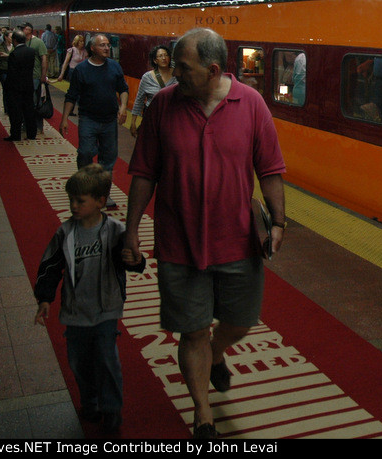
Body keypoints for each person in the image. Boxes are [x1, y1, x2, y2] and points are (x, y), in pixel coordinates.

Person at [123, 27, 287, 439]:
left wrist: (279, 222)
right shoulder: (163, 105)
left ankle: (216, 352)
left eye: (183, 67)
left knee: (241, 320)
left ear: (213, 70)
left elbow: (269, 169)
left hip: (238, 241)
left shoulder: (251, 105)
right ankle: (203, 414)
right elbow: (144, 172)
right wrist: (131, 232)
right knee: (192, 329)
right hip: (178, 241)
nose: (174, 74)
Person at [34, 164, 145, 434]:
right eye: (71, 199)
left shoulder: (116, 231)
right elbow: (50, 265)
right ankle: (90, 402)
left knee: (107, 361)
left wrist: (136, 259)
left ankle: (111, 411)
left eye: (80, 201)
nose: (73, 205)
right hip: (75, 313)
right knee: (79, 362)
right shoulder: (66, 233)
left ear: (100, 202)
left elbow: (132, 261)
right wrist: (45, 298)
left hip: (106, 310)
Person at [58, 34, 129, 209]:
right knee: (85, 153)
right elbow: (71, 95)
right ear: (92, 48)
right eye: (102, 45)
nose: (107, 48)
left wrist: (123, 106)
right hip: (88, 119)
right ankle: (84, 189)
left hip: (109, 121)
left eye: (108, 45)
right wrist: (65, 118)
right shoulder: (81, 70)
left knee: (108, 160)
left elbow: (123, 89)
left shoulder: (114, 66)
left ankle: (103, 195)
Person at [128, 44, 175, 137]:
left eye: (166, 55)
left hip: (172, 119)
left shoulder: (178, 75)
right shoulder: (147, 77)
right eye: (160, 56)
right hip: (152, 119)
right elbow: (139, 100)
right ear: (155, 60)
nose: (164, 58)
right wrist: (133, 122)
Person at [4, 30, 38, 142]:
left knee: (16, 112)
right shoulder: (31, 52)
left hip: (16, 88)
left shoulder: (14, 54)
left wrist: (8, 88)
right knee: (29, 110)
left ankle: (16, 135)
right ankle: (32, 133)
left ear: (14, 40)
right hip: (28, 85)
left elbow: (12, 73)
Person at [21, 23, 49, 136]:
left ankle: (37, 126)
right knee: (25, 102)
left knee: (35, 102)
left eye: (24, 28)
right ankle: (26, 124)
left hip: (35, 76)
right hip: (24, 76)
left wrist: (43, 75)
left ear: (29, 30)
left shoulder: (38, 42)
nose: (22, 30)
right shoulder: (21, 41)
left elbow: (44, 58)